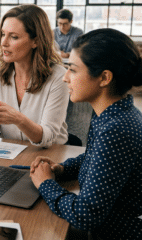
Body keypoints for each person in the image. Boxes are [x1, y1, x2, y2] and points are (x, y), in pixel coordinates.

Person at [30, 28, 142, 239]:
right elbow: (95, 157)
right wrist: (62, 169)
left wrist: (45, 184)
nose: (65, 78)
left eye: (72, 69)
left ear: (104, 78)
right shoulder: (117, 113)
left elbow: (85, 215)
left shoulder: (115, 129)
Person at [0, 4, 69, 146]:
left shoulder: (58, 76)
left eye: (13, 37)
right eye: (2, 34)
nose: (4, 43)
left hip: (50, 156)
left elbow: (48, 136)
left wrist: (18, 119)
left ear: (36, 41)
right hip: (11, 153)